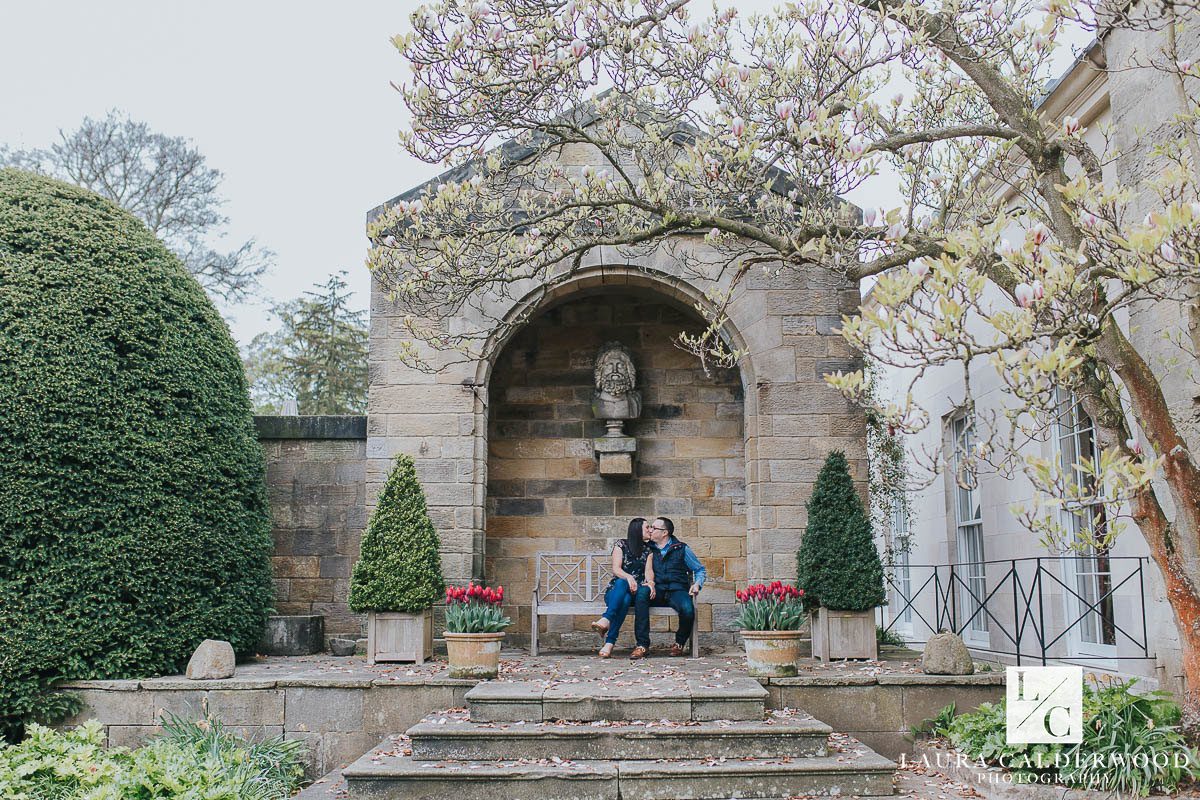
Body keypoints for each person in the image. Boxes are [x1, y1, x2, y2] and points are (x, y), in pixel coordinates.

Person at [630, 517, 706, 659]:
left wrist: (697, 584)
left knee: (688, 610)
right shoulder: (648, 548)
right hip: (656, 590)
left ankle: (679, 643)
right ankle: (642, 645)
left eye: (654, 527)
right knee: (641, 595)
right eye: (650, 527)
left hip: (677, 590)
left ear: (665, 532)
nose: (650, 530)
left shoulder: (681, 548)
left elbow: (700, 569)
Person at [590, 518, 656, 657]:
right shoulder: (621, 545)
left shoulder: (648, 550)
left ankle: (606, 620)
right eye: (647, 527)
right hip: (615, 592)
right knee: (622, 590)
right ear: (637, 530)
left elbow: (649, 572)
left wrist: (650, 583)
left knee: (626, 597)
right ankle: (609, 643)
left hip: (635, 592)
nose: (650, 530)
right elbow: (616, 569)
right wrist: (629, 577)